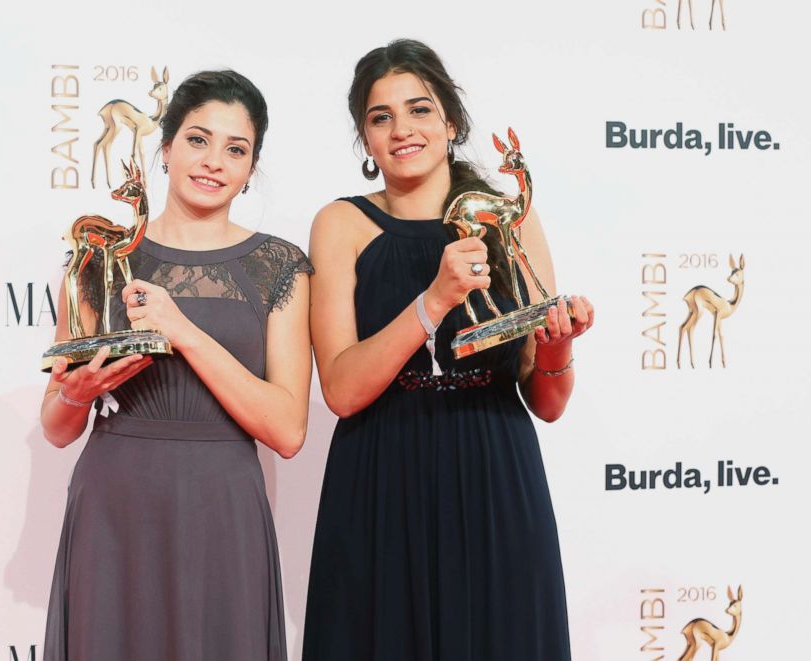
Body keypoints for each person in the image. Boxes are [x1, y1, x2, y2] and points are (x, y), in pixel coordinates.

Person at [302, 40, 593, 661]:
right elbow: (343, 390)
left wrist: (556, 349)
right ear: (366, 139)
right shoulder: (340, 224)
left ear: (451, 123)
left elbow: (548, 402)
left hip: (495, 470)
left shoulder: (509, 221)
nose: (402, 129)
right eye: (381, 118)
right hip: (380, 477)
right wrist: (433, 302)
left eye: (420, 110)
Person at [40, 69, 313, 661]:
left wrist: (181, 330)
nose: (214, 161)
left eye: (235, 149)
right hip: (114, 507)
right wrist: (77, 393)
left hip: (223, 509)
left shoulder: (279, 265)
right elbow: (57, 429)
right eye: (197, 139)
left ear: (251, 166)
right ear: (164, 149)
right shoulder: (98, 259)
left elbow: (288, 431)